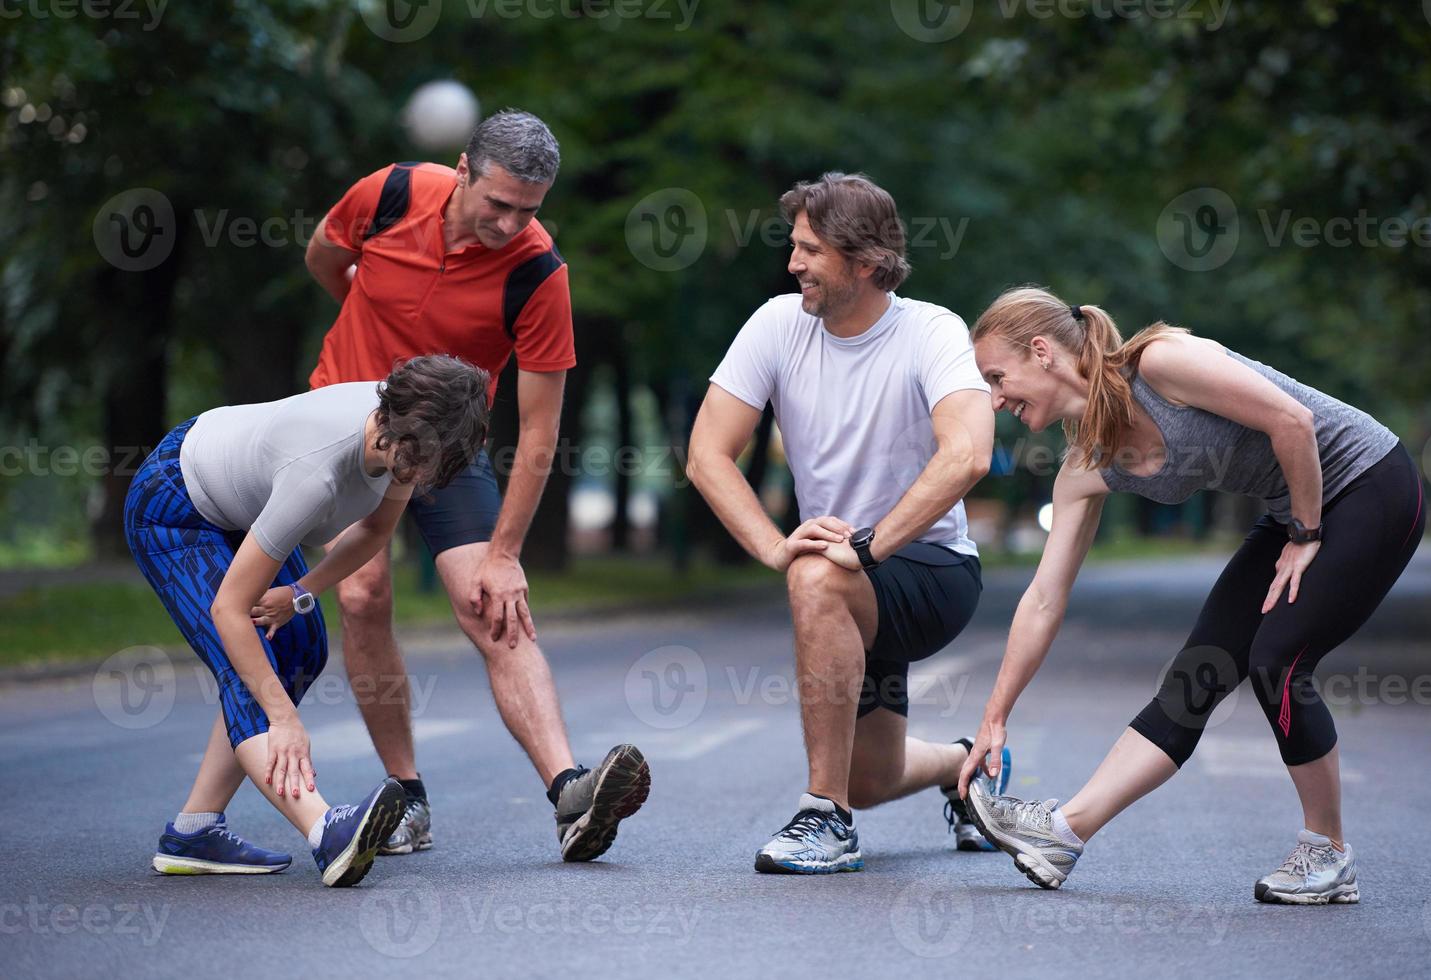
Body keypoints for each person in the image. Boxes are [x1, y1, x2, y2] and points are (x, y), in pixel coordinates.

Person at [959, 286, 1424, 904]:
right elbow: (1044, 597)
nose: (995, 399)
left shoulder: (1161, 363)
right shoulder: (1084, 466)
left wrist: (1307, 533)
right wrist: (995, 716)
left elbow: (1294, 421)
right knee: (1196, 676)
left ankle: (1328, 852)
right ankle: (1065, 834)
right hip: (1295, 510)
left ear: (1042, 352)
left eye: (997, 377)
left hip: (1370, 483)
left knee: (1276, 660)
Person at [304, 109, 648, 862]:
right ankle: (407, 798)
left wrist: (505, 553)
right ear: (462, 169)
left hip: (450, 446)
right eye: (498, 202)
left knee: (492, 602)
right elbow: (324, 257)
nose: (510, 222)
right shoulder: (389, 193)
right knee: (361, 597)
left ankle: (570, 791)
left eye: (529, 208)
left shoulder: (536, 271)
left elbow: (539, 432)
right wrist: (364, 310)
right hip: (348, 426)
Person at [689, 172, 1004, 874]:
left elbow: (969, 453)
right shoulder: (776, 324)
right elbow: (706, 455)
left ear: (865, 263)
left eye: (810, 250)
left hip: (930, 570)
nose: (792, 262)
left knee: (818, 573)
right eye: (792, 246)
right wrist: (773, 547)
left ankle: (824, 817)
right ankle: (967, 766)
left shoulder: (931, 330)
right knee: (873, 777)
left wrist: (867, 546)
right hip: (847, 582)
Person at [125, 355, 491, 887]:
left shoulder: (414, 431)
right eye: (424, 464)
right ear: (397, 427)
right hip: (175, 507)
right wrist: (285, 718)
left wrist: (300, 593)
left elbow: (372, 533)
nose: (423, 480)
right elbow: (229, 610)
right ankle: (326, 831)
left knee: (301, 648)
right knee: (250, 664)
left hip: (244, 504)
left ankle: (194, 830)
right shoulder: (316, 474)